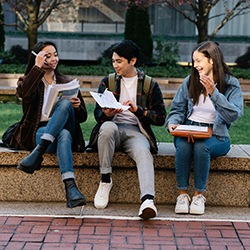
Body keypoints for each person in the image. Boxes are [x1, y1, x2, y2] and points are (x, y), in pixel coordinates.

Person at [88, 40, 166, 220]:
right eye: (113, 61)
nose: (115, 65)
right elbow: (97, 115)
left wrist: (138, 110)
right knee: (106, 127)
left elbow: (161, 117)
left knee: (143, 152)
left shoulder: (149, 85)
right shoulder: (108, 81)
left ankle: (147, 200)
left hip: (135, 131)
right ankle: (105, 180)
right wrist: (107, 113)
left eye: (119, 61)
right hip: (112, 128)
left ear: (132, 61)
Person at [165, 41, 243, 215]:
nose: (195, 65)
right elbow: (177, 110)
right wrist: (172, 123)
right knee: (184, 145)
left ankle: (199, 195)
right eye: (194, 61)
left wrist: (214, 93)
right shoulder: (190, 81)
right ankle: (182, 195)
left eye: (199, 60)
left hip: (216, 135)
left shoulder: (230, 84)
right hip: (189, 129)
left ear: (212, 60)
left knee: (202, 146)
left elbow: (235, 113)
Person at [10, 41, 87, 208]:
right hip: (39, 131)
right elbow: (25, 95)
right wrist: (36, 68)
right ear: (38, 58)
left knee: (65, 106)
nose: (54, 59)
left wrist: (77, 106)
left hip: (64, 126)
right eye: (48, 55)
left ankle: (38, 154)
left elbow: (82, 118)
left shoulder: (66, 81)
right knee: (64, 135)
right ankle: (71, 188)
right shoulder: (29, 81)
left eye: (55, 54)